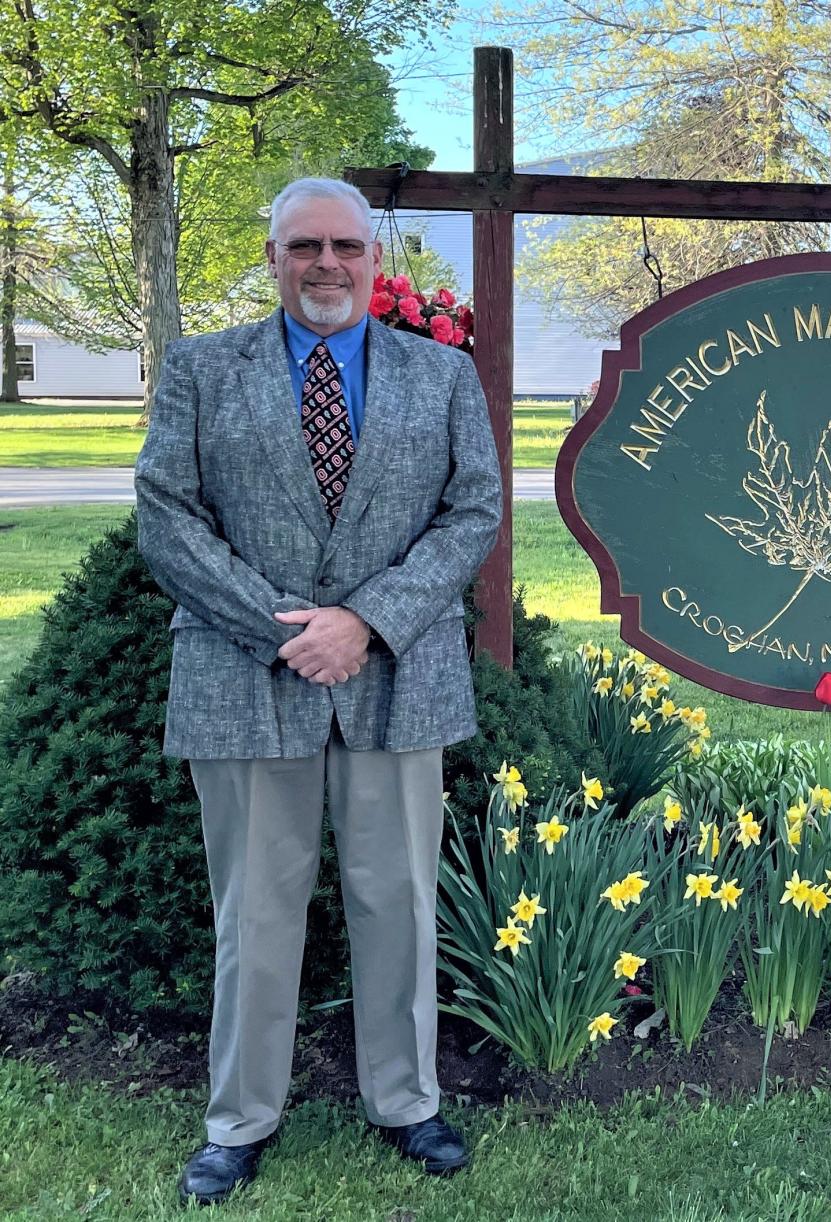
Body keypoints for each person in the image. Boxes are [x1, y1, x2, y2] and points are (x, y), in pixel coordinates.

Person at [134, 176, 502, 1207]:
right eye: (305, 246)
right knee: (254, 909)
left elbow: (473, 511)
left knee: (398, 899)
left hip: (398, 677)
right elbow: (167, 516)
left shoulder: (441, 375)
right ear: (272, 257)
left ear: (376, 259)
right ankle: (238, 1118)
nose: (326, 264)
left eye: (345, 245)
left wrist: (367, 621)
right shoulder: (202, 371)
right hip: (244, 676)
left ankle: (407, 1099)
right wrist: (285, 629)